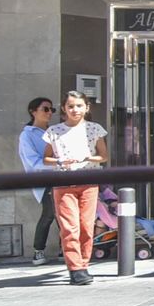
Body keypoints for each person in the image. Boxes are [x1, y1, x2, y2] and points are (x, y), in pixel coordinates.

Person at [43, 91, 109, 286]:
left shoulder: (94, 129)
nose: (75, 110)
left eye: (79, 105)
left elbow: (103, 156)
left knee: (86, 226)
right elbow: (46, 159)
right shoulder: (54, 131)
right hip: (63, 182)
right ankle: (76, 268)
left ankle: (83, 263)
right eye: (71, 106)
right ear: (64, 108)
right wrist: (60, 160)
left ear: (87, 108)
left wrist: (88, 157)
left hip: (88, 180)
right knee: (69, 227)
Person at [18, 96, 57, 265]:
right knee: (50, 213)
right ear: (33, 111)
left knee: (66, 214)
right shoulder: (27, 135)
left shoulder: (55, 132)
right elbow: (33, 162)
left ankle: (68, 249)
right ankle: (38, 250)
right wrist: (58, 165)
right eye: (45, 109)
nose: (49, 113)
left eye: (51, 109)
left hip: (63, 177)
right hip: (45, 180)